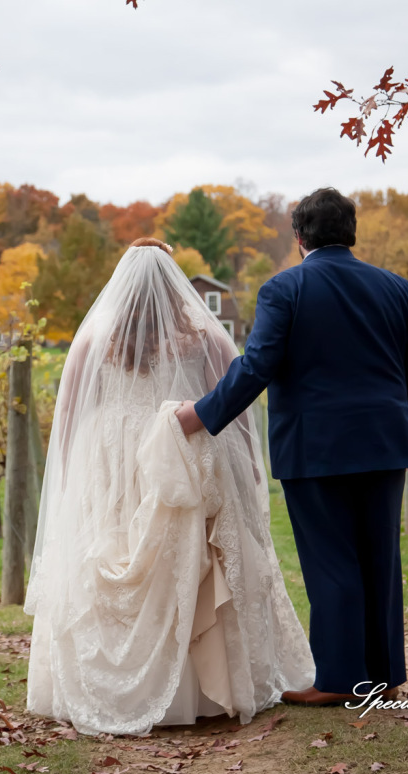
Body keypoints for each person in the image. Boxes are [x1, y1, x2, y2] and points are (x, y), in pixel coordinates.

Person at [24, 238, 314, 736]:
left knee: (115, 550)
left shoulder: (93, 339)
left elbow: (68, 418)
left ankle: (121, 686)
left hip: (111, 460)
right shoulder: (205, 337)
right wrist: (245, 469)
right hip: (184, 452)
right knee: (187, 558)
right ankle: (202, 688)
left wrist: (73, 480)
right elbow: (238, 406)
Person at [175, 188, 408, 706]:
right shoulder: (396, 288)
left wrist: (201, 414)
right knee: (380, 558)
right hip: (385, 441)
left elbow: (258, 364)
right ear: (351, 232)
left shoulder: (284, 289)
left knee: (332, 559)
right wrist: (401, 428)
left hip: (317, 447)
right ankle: (385, 676)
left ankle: (339, 680)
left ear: (298, 238)